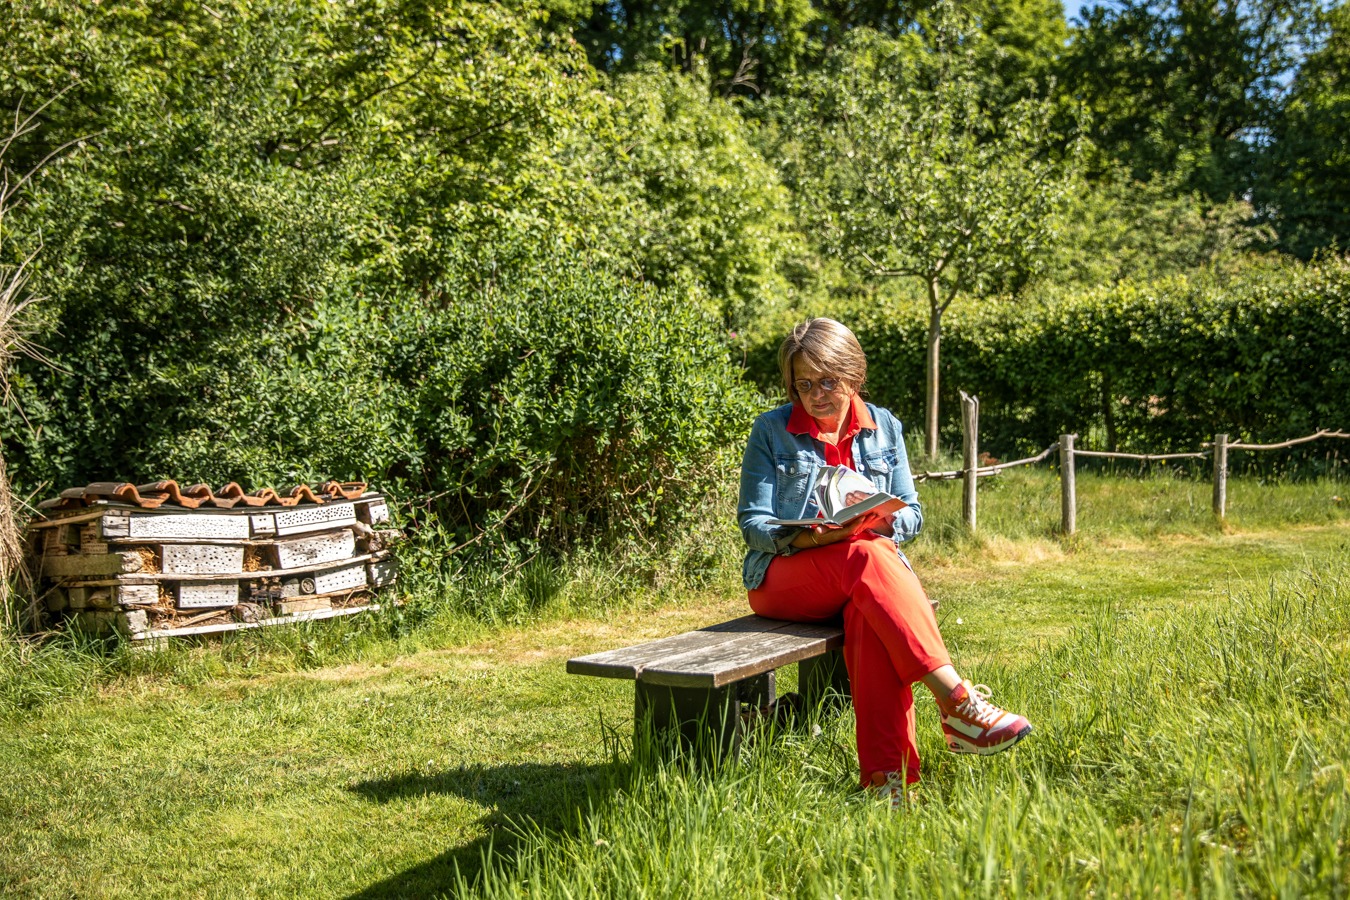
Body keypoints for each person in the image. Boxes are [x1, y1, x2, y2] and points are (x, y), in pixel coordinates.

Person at [737, 317, 1031, 806]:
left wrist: (878, 522)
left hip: (863, 575)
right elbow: (754, 524)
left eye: (828, 380)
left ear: (854, 376)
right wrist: (817, 536)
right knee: (864, 555)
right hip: (785, 579)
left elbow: (912, 513)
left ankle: (888, 785)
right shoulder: (771, 430)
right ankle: (958, 703)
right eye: (804, 384)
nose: (816, 395)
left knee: (870, 615)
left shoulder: (884, 426)